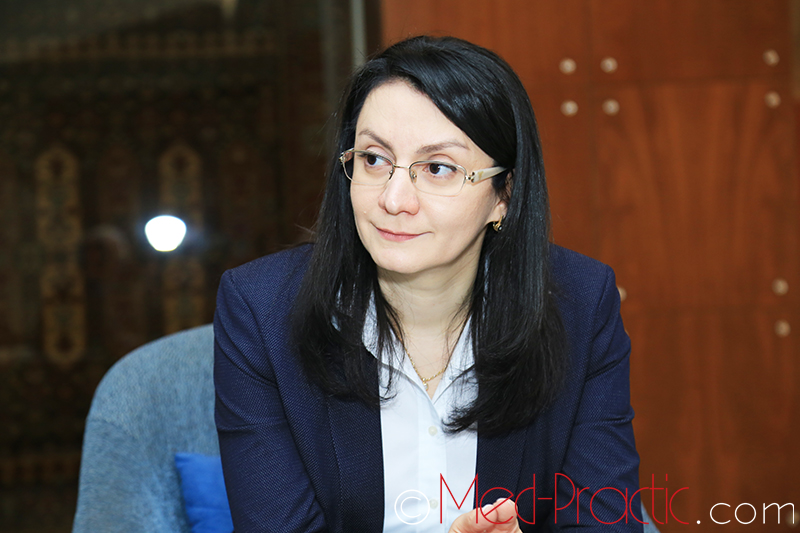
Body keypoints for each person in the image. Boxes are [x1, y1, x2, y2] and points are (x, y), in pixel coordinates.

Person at [214, 35, 643, 532]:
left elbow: (604, 520)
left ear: (504, 195)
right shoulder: (262, 310)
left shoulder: (580, 304)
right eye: (374, 159)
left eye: (438, 168)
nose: (394, 199)